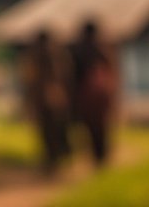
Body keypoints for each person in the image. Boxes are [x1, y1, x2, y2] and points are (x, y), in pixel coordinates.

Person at [20, 29, 71, 176]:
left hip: (44, 101)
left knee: (47, 132)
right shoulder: (57, 55)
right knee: (55, 130)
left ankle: (51, 161)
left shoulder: (35, 57)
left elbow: (29, 80)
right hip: (53, 101)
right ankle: (54, 160)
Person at [69, 20, 118, 167]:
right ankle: (101, 157)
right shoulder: (103, 49)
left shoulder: (80, 50)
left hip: (86, 94)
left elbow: (73, 76)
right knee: (101, 128)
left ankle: (98, 157)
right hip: (99, 94)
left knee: (91, 129)